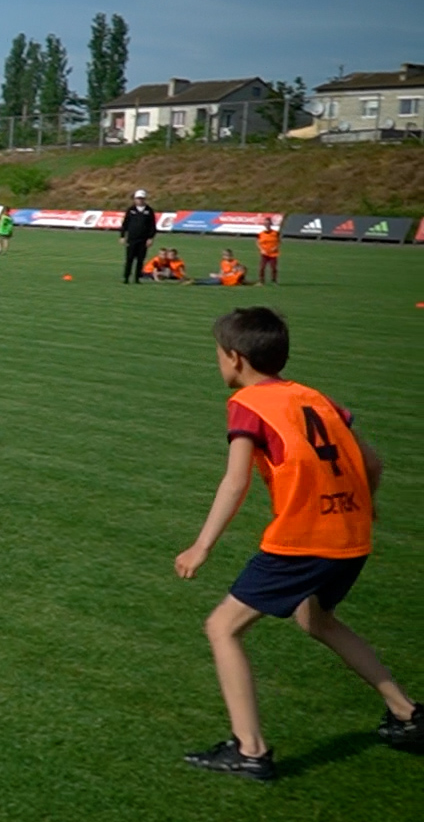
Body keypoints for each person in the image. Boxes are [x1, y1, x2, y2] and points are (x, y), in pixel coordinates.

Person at [173, 306, 417, 779]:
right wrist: (364, 505)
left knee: (222, 628)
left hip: (303, 540)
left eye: (218, 354)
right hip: (351, 535)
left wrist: (201, 546)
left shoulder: (248, 405)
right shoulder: (315, 397)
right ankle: (407, 713)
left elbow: (235, 481)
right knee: (317, 619)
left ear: (235, 358)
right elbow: (373, 462)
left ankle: (250, 750)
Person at [120, 189, 157, 284]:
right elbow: (125, 224)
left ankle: (137, 278)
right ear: (135, 199)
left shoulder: (149, 211)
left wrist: (150, 238)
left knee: (140, 259)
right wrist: (122, 236)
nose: (140, 200)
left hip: (143, 239)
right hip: (132, 239)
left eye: (141, 198)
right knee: (129, 259)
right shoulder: (131, 210)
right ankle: (126, 277)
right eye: (138, 198)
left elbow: (152, 225)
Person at [256, 217, 281, 284]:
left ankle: (274, 280)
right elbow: (258, 242)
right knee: (262, 267)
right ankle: (261, 281)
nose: (267, 225)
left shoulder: (275, 233)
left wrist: (276, 247)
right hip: (264, 253)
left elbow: (279, 241)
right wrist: (261, 249)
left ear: (271, 224)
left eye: (268, 223)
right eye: (266, 223)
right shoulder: (261, 233)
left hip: (273, 253)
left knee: (273, 268)